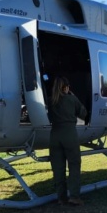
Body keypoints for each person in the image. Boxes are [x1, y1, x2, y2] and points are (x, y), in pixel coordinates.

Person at [47, 76, 88, 206]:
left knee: (58, 168)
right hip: (69, 133)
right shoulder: (71, 98)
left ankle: (61, 197)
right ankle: (74, 196)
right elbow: (84, 113)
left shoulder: (51, 101)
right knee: (74, 165)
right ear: (66, 87)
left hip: (54, 135)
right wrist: (74, 96)